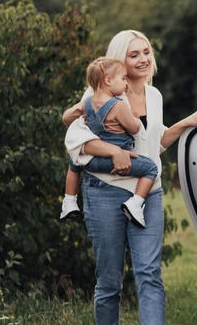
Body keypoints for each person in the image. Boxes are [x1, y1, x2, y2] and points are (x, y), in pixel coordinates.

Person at [63, 30, 197, 325]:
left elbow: (152, 143)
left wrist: (184, 125)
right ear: (119, 61)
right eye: (133, 55)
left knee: (149, 272)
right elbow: (75, 140)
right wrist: (114, 150)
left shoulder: (154, 95)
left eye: (146, 52)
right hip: (104, 191)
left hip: (148, 193)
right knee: (108, 276)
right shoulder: (97, 95)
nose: (143, 59)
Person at [61, 57, 158, 227]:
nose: (126, 84)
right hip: (114, 162)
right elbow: (134, 129)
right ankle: (135, 204)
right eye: (122, 78)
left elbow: (66, 117)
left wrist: (82, 116)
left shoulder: (87, 103)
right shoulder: (119, 106)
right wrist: (134, 117)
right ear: (108, 80)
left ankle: (69, 201)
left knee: (74, 163)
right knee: (151, 169)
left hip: (91, 162)